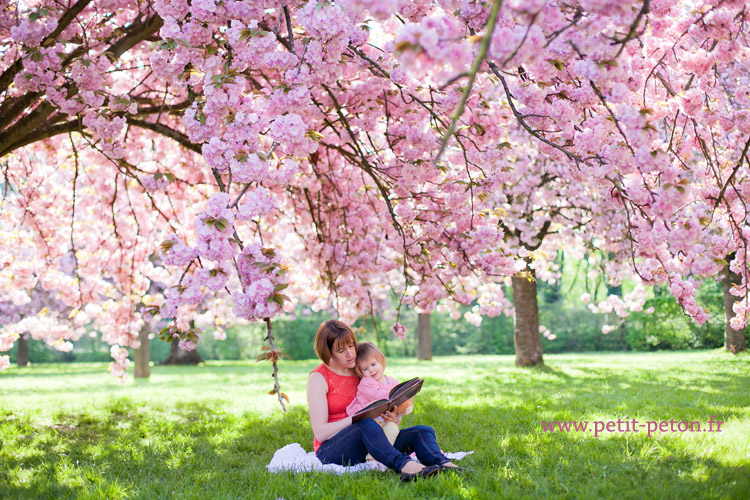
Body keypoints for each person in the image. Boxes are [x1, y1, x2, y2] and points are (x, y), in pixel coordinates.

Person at [306, 319, 460, 481]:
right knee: (366, 424)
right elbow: (320, 433)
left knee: (423, 431)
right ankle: (404, 466)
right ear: (328, 352)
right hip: (333, 448)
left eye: (351, 345)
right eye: (341, 350)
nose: (350, 353)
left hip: (372, 440)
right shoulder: (319, 378)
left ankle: (443, 464)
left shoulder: (359, 369)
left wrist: (393, 418)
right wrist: (356, 419)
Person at [345, 342, 412, 461]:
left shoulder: (392, 381)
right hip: (368, 422)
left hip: (384, 421)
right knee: (378, 432)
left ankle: (379, 457)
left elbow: (398, 407)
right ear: (360, 371)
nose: (371, 370)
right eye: (365, 368)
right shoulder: (366, 383)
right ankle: (373, 460)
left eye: (373, 364)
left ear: (381, 359)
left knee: (393, 428)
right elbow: (378, 396)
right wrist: (396, 396)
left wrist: (398, 416)